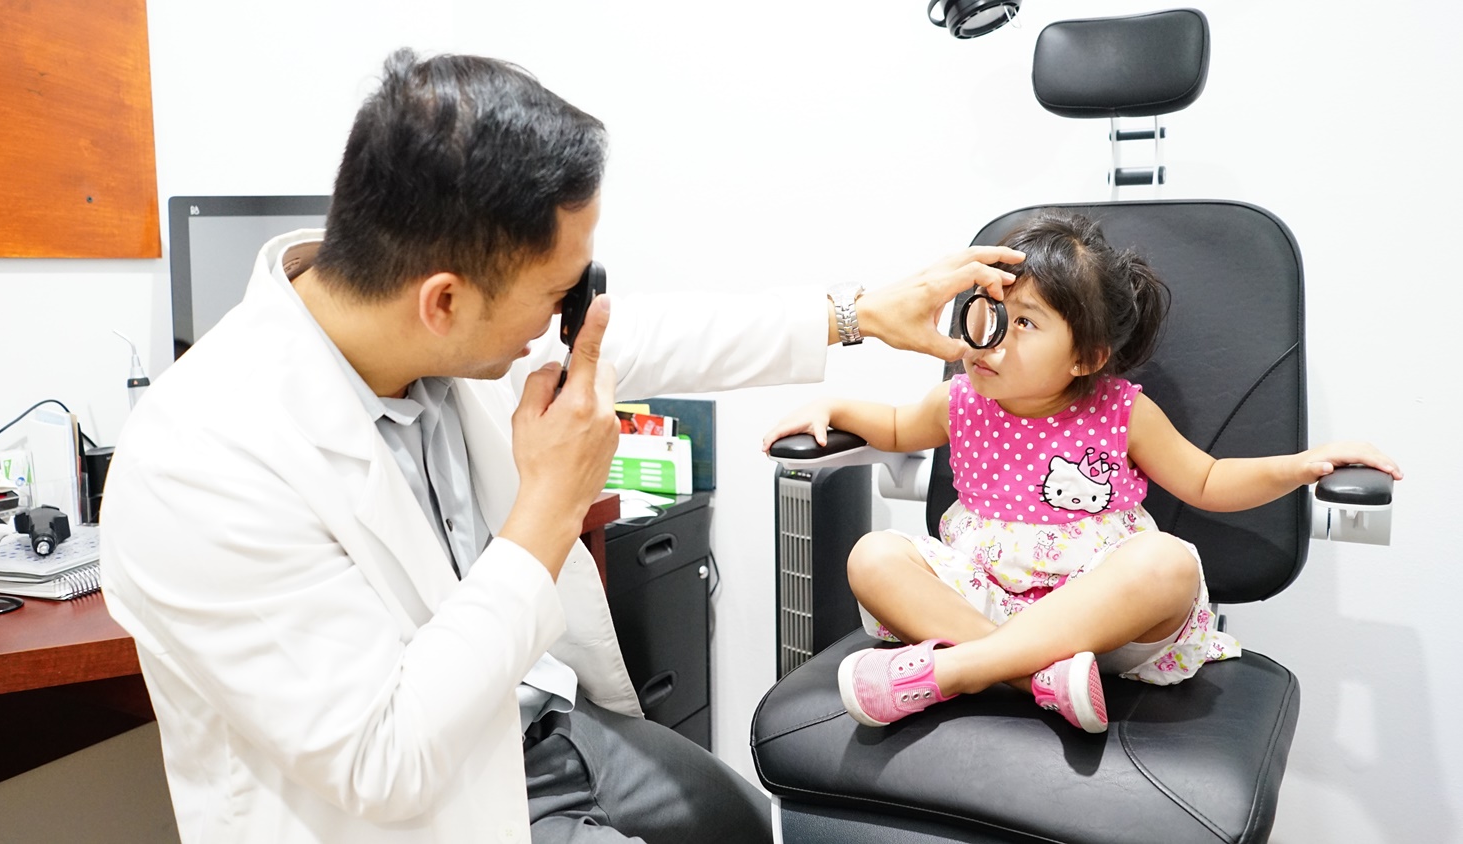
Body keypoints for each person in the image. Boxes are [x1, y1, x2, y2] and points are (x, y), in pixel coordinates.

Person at [98, 48, 1023, 843]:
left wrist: (855, 315)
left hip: (535, 722)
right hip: (407, 806)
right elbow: (385, 761)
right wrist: (549, 506)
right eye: (558, 293)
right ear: (446, 301)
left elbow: (653, 335)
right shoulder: (199, 462)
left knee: (744, 823)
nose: (570, 320)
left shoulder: (421, 325)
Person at [762, 208, 1403, 734]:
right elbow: (897, 426)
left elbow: (1206, 482)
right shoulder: (959, 398)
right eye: (988, 311)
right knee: (873, 556)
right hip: (984, 600)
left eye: (1025, 323)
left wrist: (1299, 466)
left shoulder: (1123, 411)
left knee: (1169, 563)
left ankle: (959, 671)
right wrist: (833, 405)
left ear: (1086, 357)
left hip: (1100, 624)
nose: (990, 337)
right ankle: (1029, 676)